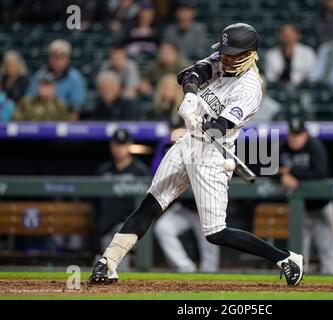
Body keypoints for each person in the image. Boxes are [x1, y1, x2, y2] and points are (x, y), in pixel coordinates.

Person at [89, 23, 304, 287]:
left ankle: (286, 258)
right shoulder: (222, 60)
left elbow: (221, 126)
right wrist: (191, 97)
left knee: (215, 233)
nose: (224, 57)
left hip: (212, 154)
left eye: (232, 53)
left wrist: (203, 120)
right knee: (151, 203)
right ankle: (107, 263)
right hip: (189, 142)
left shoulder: (250, 88)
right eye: (224, 52)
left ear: (248, 54)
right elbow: (190, 74)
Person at [154, 123, 219, 273]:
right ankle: (185, 268)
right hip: (184, 208)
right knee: (163, 227)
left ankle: (210, 278)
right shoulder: (170, 149)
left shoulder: (203, 145)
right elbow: (155, 169)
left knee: (212, 241)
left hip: (206, 209)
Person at [278, 118, 333, 274]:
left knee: (327, 251)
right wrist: (281, 176)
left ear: (305, 134)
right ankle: (298, 287)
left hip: (321, 207)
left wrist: (291, 173)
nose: (294, 138)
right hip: (300, 209)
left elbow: (320, 172)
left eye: (298, 134)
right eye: (292, 134)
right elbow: (269, 169)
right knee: (298, 253)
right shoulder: (283, 148)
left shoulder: (314, 146)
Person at [95, 128, 150, 271]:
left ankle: (118, 281)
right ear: (111, 146)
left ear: (129, 145)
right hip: (105, 226)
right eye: (116, 145)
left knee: (116, 242)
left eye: (123, 145)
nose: (119, 149)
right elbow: (95, 204)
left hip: (130, 226)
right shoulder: (103, 170)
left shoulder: (140, 170)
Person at [26, 39, 86, 119]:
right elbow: (29, 101)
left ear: (68, 59)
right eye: (54, 56)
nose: (57, 60)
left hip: (64, 122)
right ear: (49, 58)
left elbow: (75, 110)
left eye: (62, 56)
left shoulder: (76, 79)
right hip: (38, 120)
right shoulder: (39, 76)